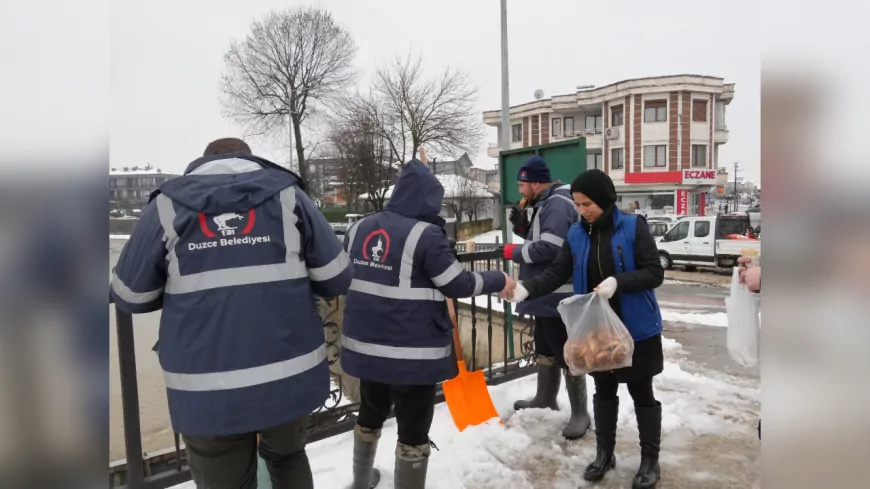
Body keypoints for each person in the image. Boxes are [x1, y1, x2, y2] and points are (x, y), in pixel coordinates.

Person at [110, 138, 351, 489]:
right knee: (286, 457)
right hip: (289, 376)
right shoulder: (289, 196)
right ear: (250, 159)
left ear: (201, 165)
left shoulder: (167, 206)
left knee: (222, 475)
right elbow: (336, 277)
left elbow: (130, 294)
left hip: (207, 388)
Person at [341, 151, 514, 489]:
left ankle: (361, 480)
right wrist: (499, 280)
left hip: (366, 348)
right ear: (429, 200)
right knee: (413, 428)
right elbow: (458, 283)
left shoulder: (358, 227)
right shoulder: (426, 235)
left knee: (371, 412)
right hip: (411, 354)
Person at [504, 169, 665, 489]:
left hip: (636, 329)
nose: (581, 210)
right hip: (595, 330)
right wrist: (526, 289)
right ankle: (605, 454)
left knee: (641, 393)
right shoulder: (577, 234)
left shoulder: (634, 228)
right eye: (577, 204)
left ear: (605, 200)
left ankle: (650, 460)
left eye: (587, 204)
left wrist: (618, 282)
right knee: (604, 392)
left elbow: (653, 273)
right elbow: (557, 271)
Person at [501, 155, 591, 440]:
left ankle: (580, 413)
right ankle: (545, 396)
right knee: (545, 346)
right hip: (545, 294)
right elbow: (542, 237)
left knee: (566, 352)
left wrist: (511, 250)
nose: (520, 191)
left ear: (535, 183)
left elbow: (550, 248)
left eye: (522, 185)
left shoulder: (556, 204)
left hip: (557, 295)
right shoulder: (547, 202)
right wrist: (522, 228)